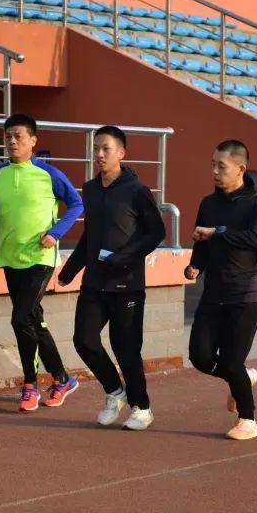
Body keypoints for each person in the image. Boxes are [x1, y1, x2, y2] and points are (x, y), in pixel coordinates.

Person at [58, 126, 165, 431]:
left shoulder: (137, 190)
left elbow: (156, 232)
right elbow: (90, 234)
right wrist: (70, 269)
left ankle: (142, 408)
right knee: (84, 340)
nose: (100, 154)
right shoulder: (91, 189)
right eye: (96, 149)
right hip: (95, 282)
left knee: (125, 348)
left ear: (121, 153)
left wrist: (125, 257)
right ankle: (115, 392)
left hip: (127, 283)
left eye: (106, 148)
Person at [0, 114, 84, 412]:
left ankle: (30, 384)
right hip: (10, 256)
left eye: (18, 136)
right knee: (33, 320)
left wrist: (56, 233)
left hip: (40, 257)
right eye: (8, 136)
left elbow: (76, 203)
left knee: (19, 318)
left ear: (33, 141)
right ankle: (62, 379)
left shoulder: (48, 173)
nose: (12, 141)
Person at [184, 139, 257, 440]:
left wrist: (216, 232)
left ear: (240, 169)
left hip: (247, 291)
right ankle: (242, 378)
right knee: (200, 356)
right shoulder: (208, 204)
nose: (214, 171)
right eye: (212, 165)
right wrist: (196, 265)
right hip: (215, 291)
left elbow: (254, 238)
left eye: (221, 166)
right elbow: (202, 241)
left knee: (232, 360)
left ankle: (248, 419)